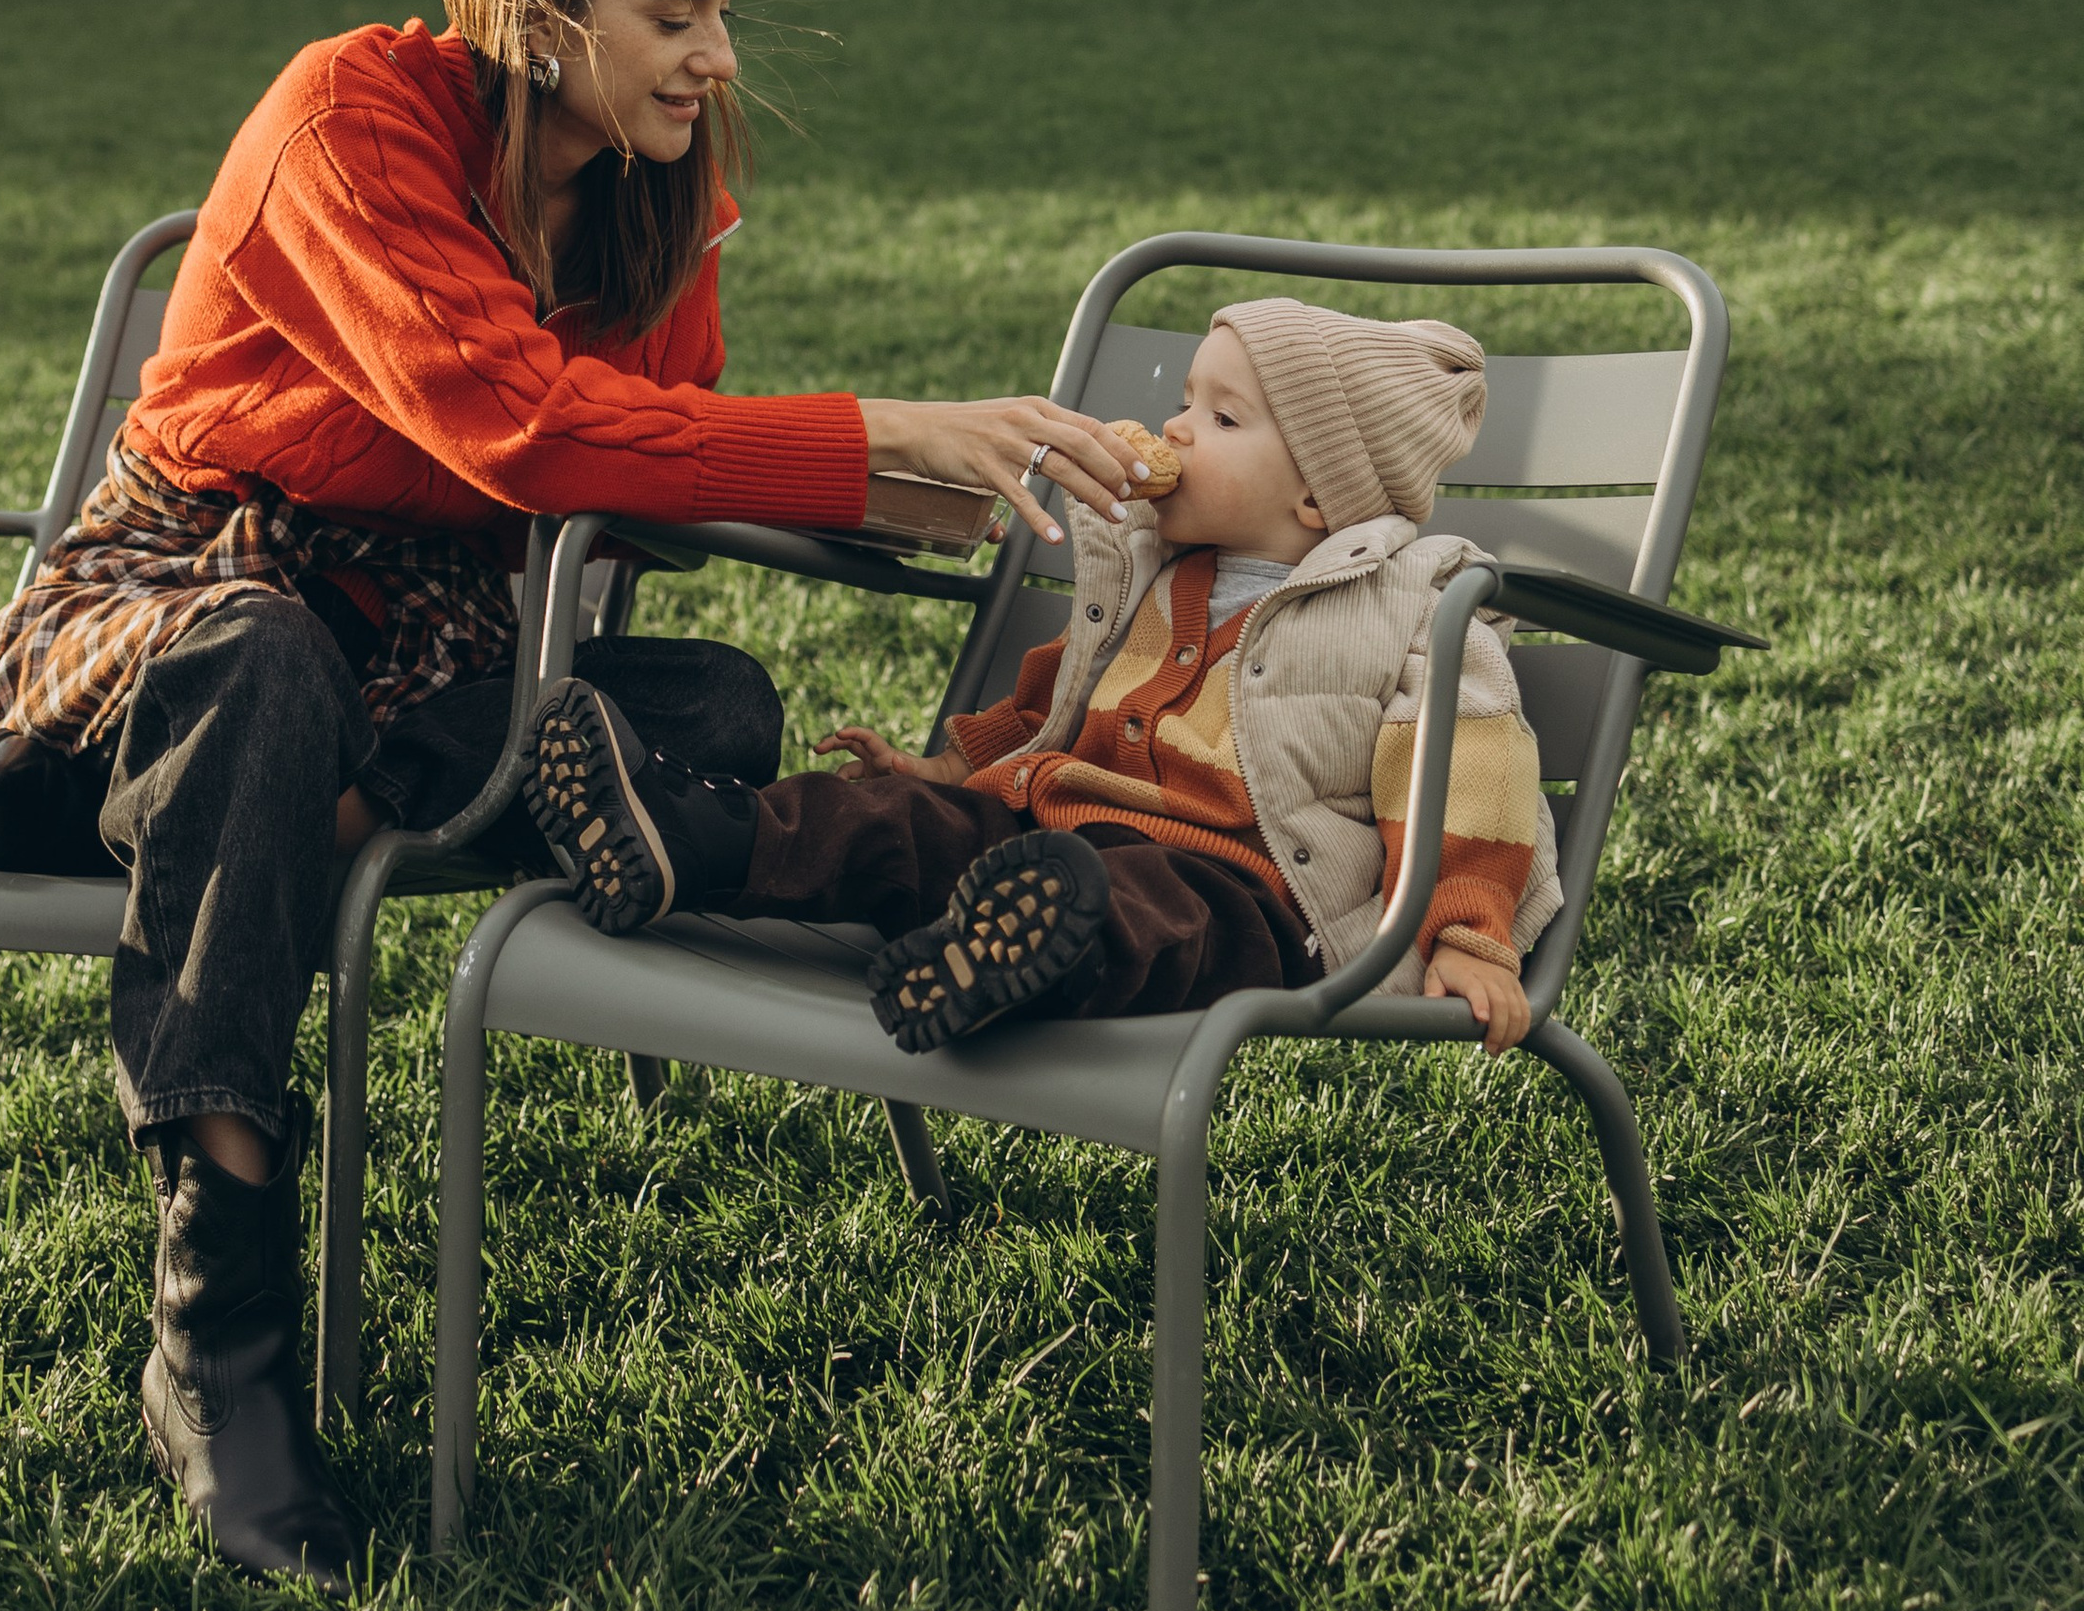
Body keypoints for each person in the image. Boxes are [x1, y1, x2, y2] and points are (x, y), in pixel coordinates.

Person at [0, 0, 1138, 1589]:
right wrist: (870, 422)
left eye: (724, 11)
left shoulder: (646, 205)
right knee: (269, 663)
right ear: (539, 10)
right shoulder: (347, 114)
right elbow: (523, 433)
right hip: (172, 625)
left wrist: (956, 484)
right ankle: (218, 1329)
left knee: (711, 712)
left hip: (428, 655)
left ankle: (296, 837)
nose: (716, 61)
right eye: (675, 17)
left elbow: (647, 458)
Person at [522, 294, 1561, 1064]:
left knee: (1143, 906)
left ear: (1319, 498)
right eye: (1187, 400)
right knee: (895, 826)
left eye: (1226, 419)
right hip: (1050, 833)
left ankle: (1009, 953)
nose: (1181, 429)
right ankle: (691, 837)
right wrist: (934, 773)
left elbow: (1470, 776)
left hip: (1249, 890)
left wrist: (1468, 939)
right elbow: (1051, 709)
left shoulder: (1414, 607)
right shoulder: (1154, 574)